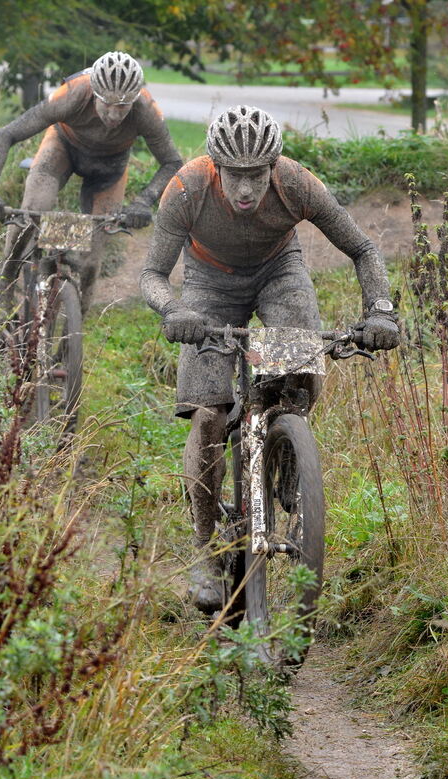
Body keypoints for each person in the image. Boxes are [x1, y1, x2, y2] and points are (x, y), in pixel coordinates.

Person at [140, 105, 399, 614]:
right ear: (216, 166)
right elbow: (151, 273)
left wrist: (382, 312)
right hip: (208, 284)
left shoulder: (297, 183)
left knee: (302, 362)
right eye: (234, 175)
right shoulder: (188, 187)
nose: (245, 189)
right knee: (210, 414)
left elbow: (363, 248)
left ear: (273, 167)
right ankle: (206, 549)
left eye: (256, 175)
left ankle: (287, 448)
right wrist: (173, 310)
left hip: (279, 271)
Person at [0, 51, 183, 316]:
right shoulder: (73, 93)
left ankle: (76, 326)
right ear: (95, 93)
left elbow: (172, 162)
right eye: (107, 103)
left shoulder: (145, 110)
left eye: (122, 106)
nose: (114, 113)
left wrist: (143, 201)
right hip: (62, 149)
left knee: (91, 260)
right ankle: (2, 289)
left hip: (110, 167)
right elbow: (7, 134)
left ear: (134, 99)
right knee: (32, 210)